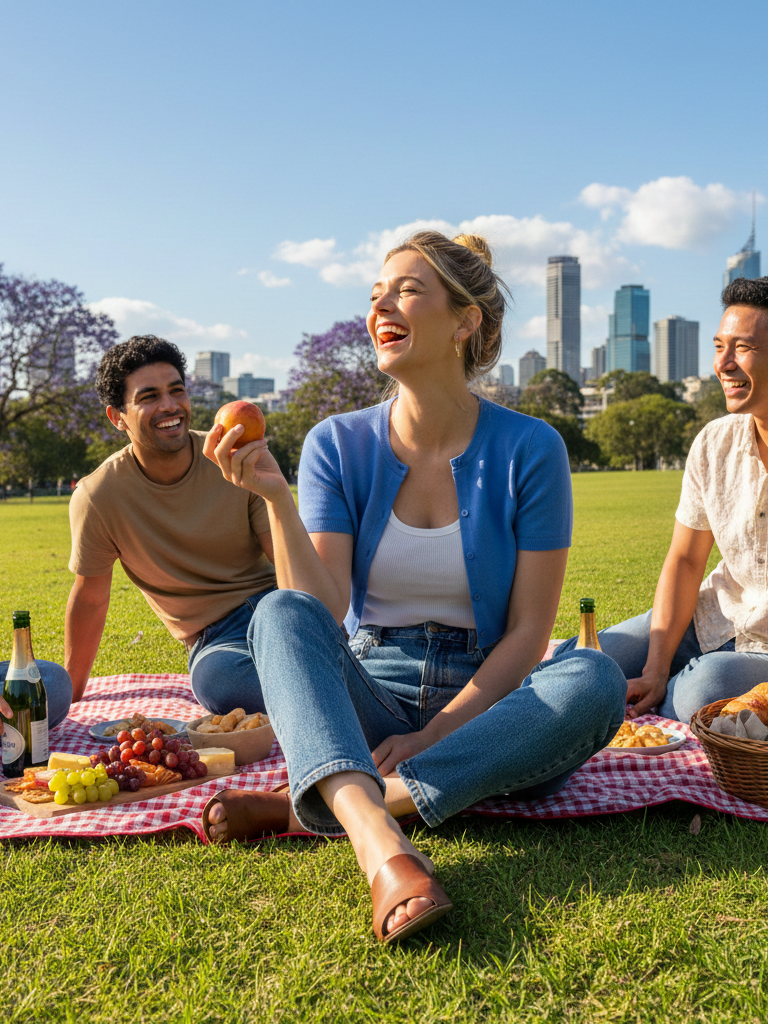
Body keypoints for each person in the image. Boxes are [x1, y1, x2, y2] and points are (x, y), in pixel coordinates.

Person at [200, 230, 625, 944]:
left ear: (466, 322)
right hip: (371, 693)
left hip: (488, 709)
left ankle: (333, 800)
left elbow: (527, 633)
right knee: (277, 611)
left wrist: (438, 732)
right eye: (375, 295)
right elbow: (321, 608)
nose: (381, 307)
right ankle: (379, 843)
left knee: (594, 678)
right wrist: (276, 501)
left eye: (406, 289)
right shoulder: (337, 443)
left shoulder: (532, 448)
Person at [557, 277, 768, 724]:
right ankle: (666, 687)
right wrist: (654, 667)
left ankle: (678, 694)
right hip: (712, 617)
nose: (723, 364)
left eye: (742, 348)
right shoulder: (714, 442)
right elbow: (686, 560)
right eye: (718, 347)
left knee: (699, 691)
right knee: (576, 664)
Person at [63, 335, 277, 715]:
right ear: (117, 417)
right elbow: (91, 598)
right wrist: (72, 693)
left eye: (177, 391)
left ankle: (327, 679)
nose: (170, 406)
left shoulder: (232, 460)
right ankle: (335, 684)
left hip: (275, 606)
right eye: (148, 397)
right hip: (218, 640)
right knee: (219, 683)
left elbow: (285, 557)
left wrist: (318, 621)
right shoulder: (98, 496)